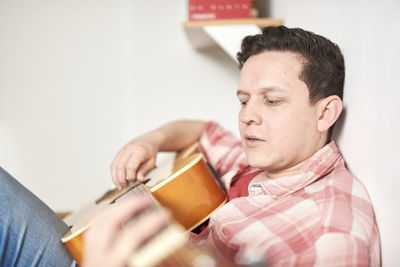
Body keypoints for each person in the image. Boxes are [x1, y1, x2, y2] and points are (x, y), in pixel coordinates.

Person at [0, 25, 381, 267]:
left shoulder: (334, 230)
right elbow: (201, 131)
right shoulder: (268, 161)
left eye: (272, 100)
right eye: (244, 99)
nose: (248, 115)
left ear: (326, 112)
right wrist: (154, 140)